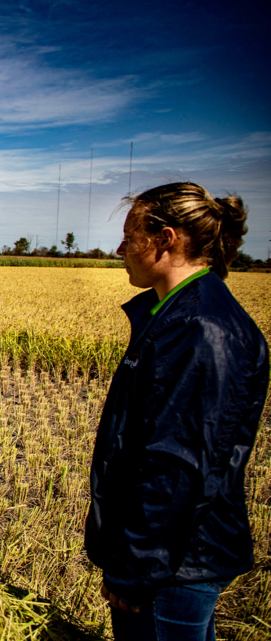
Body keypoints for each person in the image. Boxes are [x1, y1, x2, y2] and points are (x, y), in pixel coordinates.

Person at [85, 182, 268, 640]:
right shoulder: (174, 314)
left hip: (174, 564)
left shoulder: (199, 328)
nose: (120, 248)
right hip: (171, 555)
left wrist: (138, 569)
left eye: (131, 235)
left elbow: (180, 463)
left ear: (165, 239)